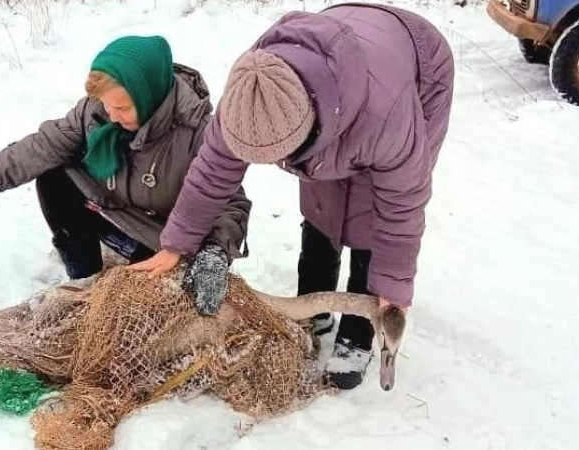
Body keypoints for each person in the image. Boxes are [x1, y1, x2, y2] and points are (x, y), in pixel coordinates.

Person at [129, 5, 455, 389]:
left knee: (368, 217)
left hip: (417, 67)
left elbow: (402, 205)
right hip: (337, 71)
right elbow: (213, 171)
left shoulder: (386, 118)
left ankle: (357, 333)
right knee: (322, 198)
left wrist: (393, 289)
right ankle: (313, 306)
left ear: (311, 127)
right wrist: (177, 243)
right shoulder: (250, 94)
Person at [0, 36, 251, 315]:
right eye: (107, 105)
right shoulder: (96, 111)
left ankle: (133, 264)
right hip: (111, 209)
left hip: (163, 239)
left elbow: (229, 203)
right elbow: (43, 146)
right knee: (54, 174)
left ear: (149, 95)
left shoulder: (197, 132)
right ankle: (84, 275)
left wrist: (214, 253)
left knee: (138, 307)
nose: (112, 115)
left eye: (122, 107)